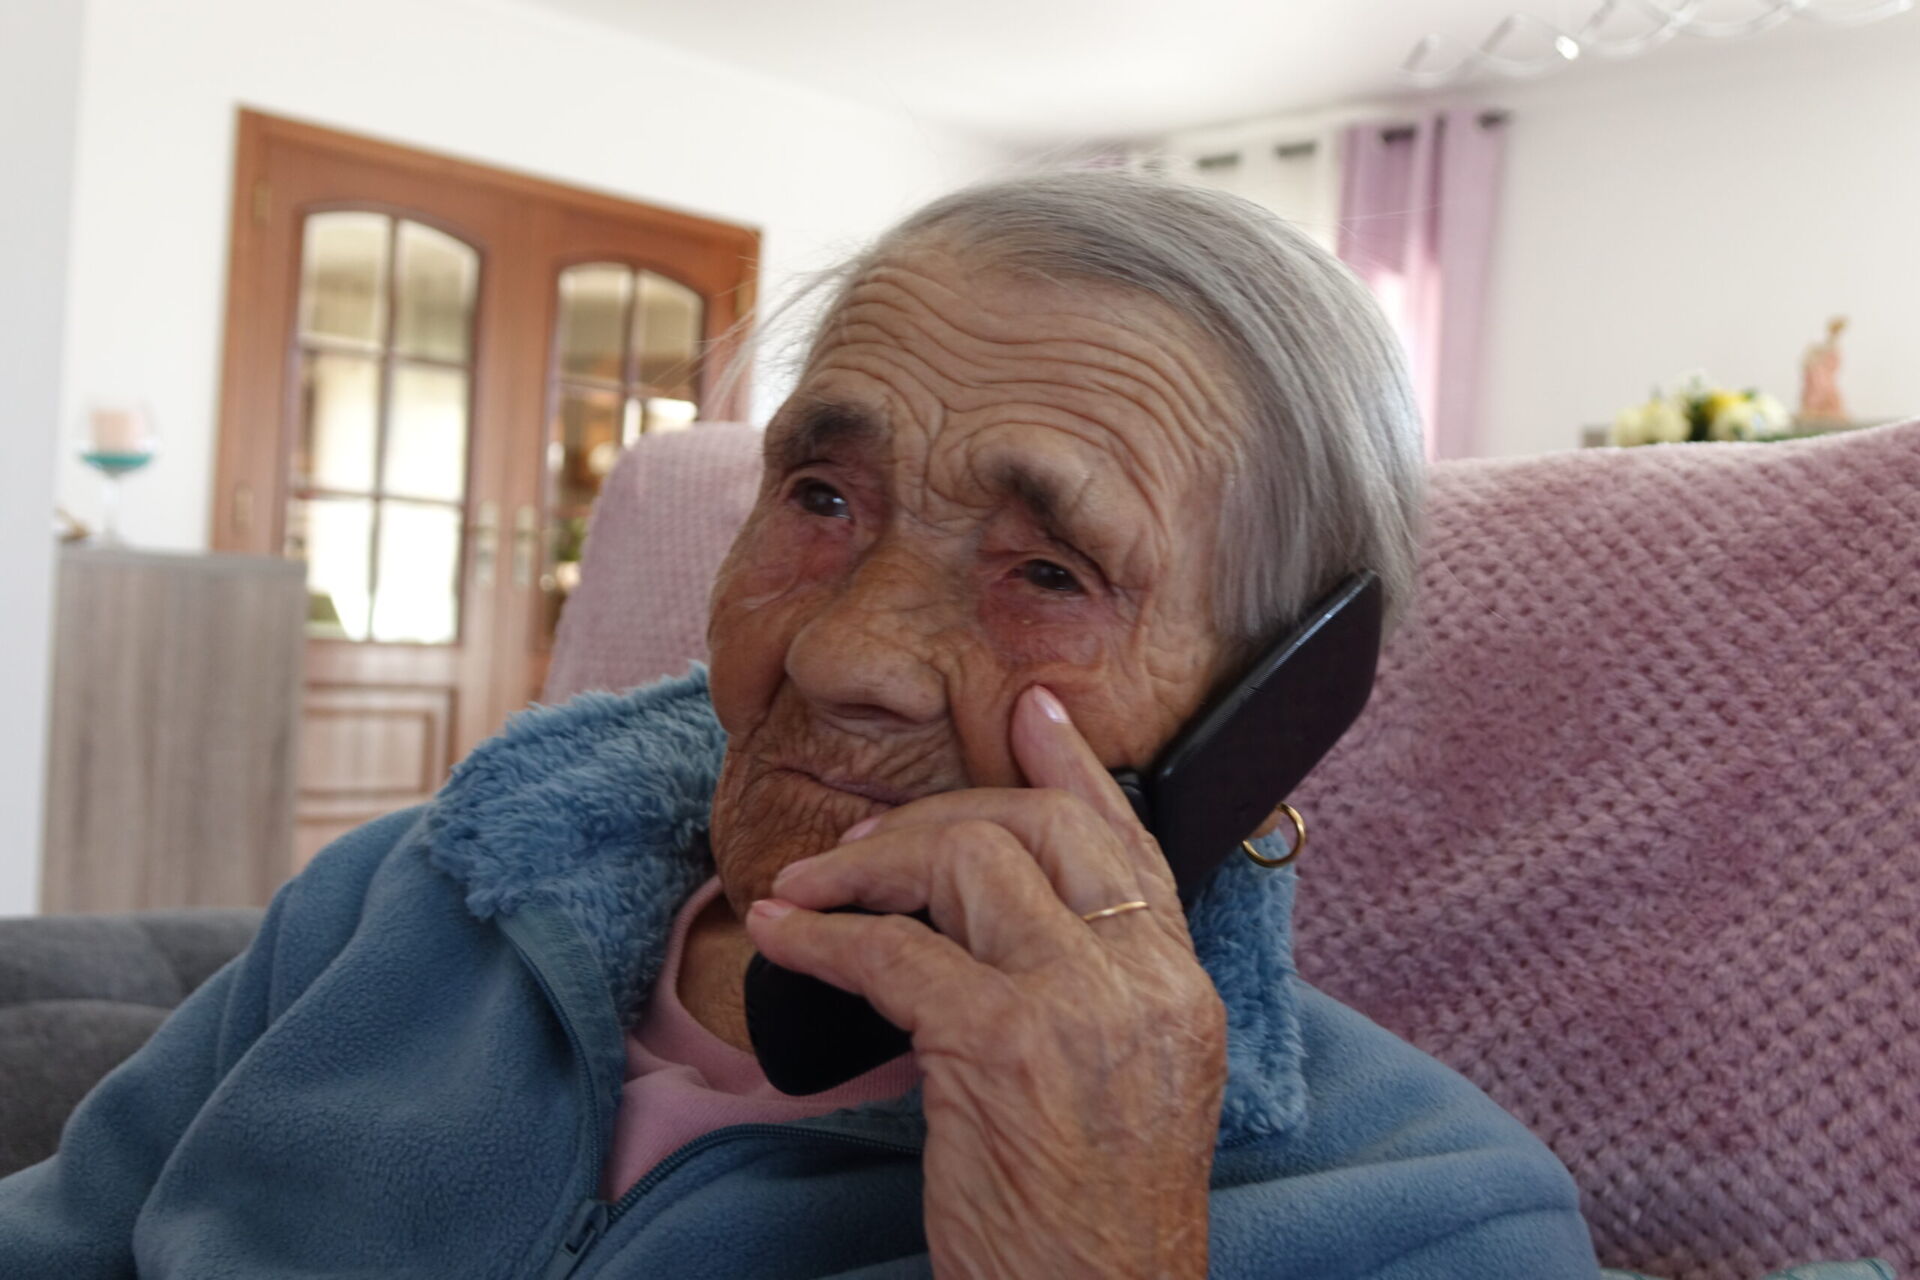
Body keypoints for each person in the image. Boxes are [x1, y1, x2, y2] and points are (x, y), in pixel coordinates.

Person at [0, 171, 1600, 1277]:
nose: (846, 653)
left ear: (1269, 708)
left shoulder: (1432, 1215)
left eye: (1050, 572)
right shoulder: (404, 899)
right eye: (823, 497)